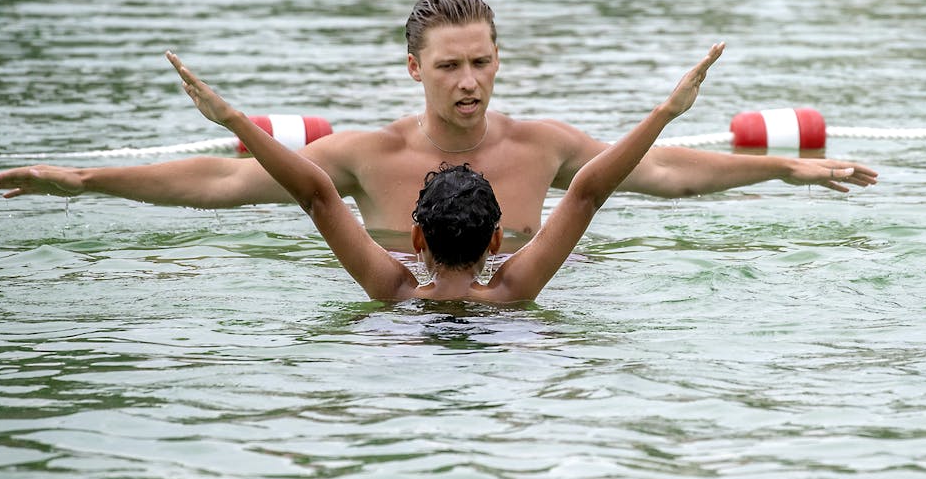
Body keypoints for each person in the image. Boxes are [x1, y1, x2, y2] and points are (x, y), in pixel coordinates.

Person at [0, 0, 877, 252]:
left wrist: (784, 170)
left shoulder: (541, 146)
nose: (469, 80)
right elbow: (223, 181)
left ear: (499, 61)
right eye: (449, 65)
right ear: (415, 69)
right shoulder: (367, 155)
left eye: (481, 61)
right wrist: (82, 178)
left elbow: (663, 172)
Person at [167, 43, 723, 303]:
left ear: (415, 239)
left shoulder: (393, 288)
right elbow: (589, 192)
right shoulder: (513, 290)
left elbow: (315, 195)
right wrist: (665, 112)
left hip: (395, 350)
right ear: (498, 240)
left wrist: (233, 117)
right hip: (514, 354)